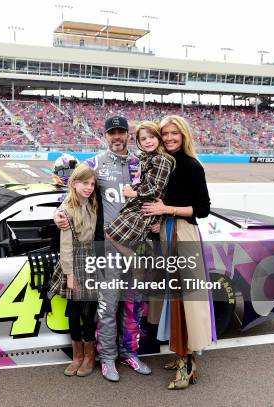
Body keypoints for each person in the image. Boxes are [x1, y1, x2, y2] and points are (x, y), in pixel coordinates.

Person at [54, 116, 151, 382]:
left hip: (137, 249)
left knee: (133, 307)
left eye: (121, 132)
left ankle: (128, 352)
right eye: (112, 133)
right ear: (106, 136)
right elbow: (75, 189)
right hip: (109, 251)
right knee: (107, 308)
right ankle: (107, 358)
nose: (117, 136)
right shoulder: (95, 163)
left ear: (128, 135)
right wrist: (59, 213)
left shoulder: (140, 163)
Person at [141, 115, 216, 390]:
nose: (170, 138)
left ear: (183, 135)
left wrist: (166, 210)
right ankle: (182, 355)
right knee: (172, 300)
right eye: (165, 133)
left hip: (182, 234)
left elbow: (203, 209)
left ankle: (187, 365)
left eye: (175, 133)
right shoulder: (162, 163)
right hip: (165, 233)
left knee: (185, 301)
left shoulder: (191, 166)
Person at [55, 163, 98, 377]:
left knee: (88, 312)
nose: (89, 187)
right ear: (73, 183)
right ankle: (77, 356)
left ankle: (90, 357)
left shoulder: (92, 203)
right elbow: (66, 245)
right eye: (84, 183)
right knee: (74, 312)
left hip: (92, 262)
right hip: (74, 263)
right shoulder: (66, 210)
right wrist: (70, 274)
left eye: (92, 184)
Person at [106, 121, 174, 245]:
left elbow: (156, 188)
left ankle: (140, 263)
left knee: (110, 235)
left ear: (159, 138)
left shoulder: (161, 159)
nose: (148, 141)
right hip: (138, 209)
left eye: (152, 137)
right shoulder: (144, 158)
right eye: (143, 139)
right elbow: (139, 179)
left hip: (144, 211)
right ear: (139, 142)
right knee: (132, 244)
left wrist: (134, 193)